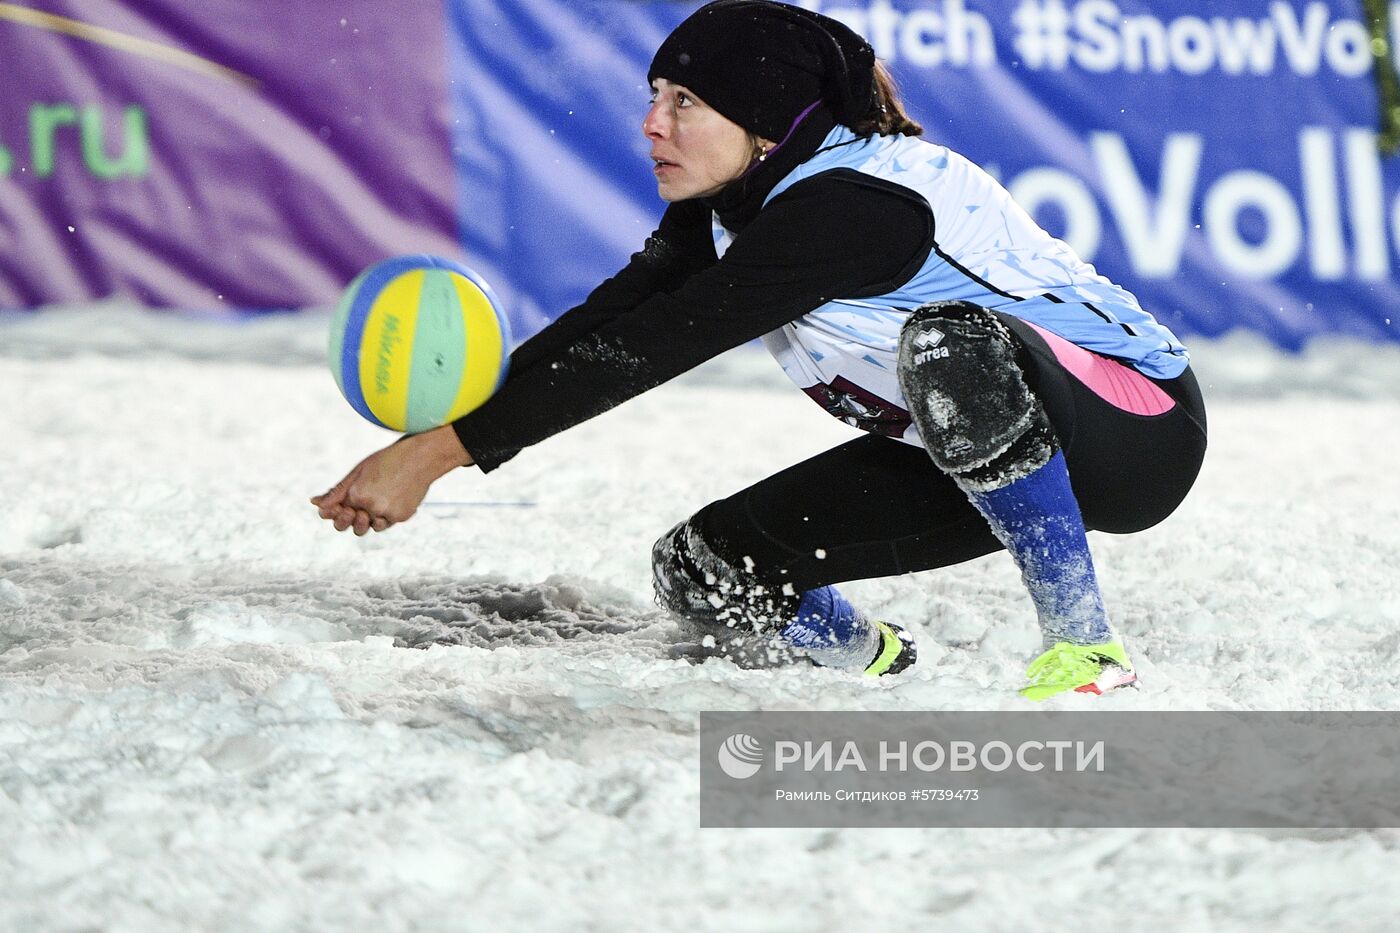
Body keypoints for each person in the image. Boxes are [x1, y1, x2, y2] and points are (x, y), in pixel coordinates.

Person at [312, 0, 1207, 700]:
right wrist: (453, 417)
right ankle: (874, 668)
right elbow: (613, 320)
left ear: (768, 124)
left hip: (1135, 430)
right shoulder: (738, 199)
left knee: (946, 347)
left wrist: (435, 456)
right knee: (706, 570)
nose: (652, 125)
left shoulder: (853, 205)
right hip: (971, 448)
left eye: (685, 103)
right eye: (654, 97)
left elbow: (657, 345)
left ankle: (1085, 650)